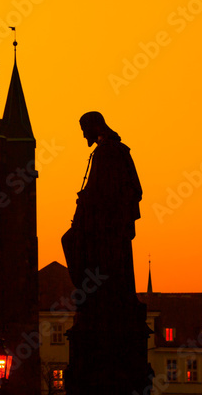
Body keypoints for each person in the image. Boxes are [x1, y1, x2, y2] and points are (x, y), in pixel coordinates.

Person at [61, 112, 143, 325]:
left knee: (71, 241)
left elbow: (106, 190)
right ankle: (89, 292)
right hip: (104, 221)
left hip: (105, 225)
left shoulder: (108, 152)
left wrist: (86, 200)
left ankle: (88, 292)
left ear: (95, 127)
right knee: (72, 241)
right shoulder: (111, 151)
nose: (83, 136)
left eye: (84, 130)